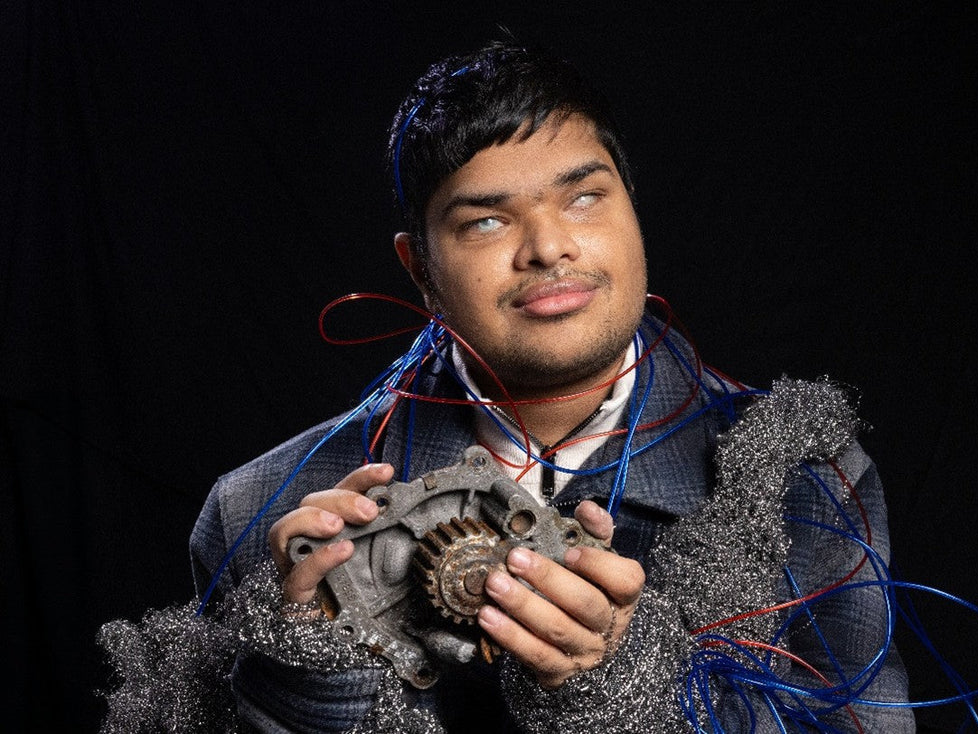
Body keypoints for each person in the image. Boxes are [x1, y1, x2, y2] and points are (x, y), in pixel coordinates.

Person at [180, 41, 916, 733]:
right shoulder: (260, 510)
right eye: (488, 220)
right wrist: (308, 673)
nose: (548, 247)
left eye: (583, 198)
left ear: (632, 205)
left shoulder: (801, 479)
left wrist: (628, 689)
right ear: (419, 272)